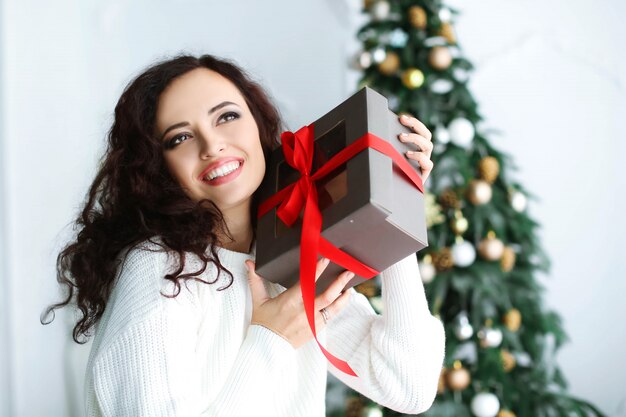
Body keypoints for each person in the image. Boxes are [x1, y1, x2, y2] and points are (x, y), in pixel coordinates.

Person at [42, 53, 445, 417]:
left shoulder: (288, 247)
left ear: (259, 125)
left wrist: (395, 190)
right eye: (180, 137)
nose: (212, 145)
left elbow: (409, 387)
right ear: (155, 167)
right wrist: (271, 339)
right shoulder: (159, 268)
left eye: (227, 116)